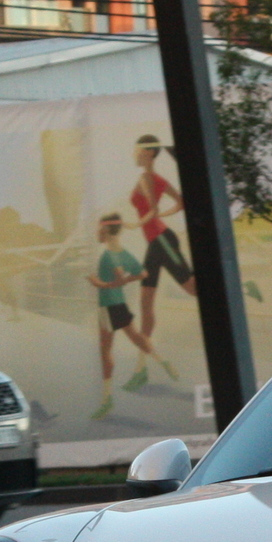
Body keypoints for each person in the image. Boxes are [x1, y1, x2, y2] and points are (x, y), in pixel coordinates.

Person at [90, 214, 175, 418]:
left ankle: (107, 399)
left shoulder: (109, 255)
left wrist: (99, 284)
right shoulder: (124, 253)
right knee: (136, 337)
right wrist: (125, 279)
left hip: (108, 306)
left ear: (106, 231)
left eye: (100, 230)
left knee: (105, 351)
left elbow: (119, 278)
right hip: (119, 304)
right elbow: (142, 274)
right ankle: (163, 361)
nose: (97, 233)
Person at [128, 133, 196, 342]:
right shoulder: (159, 180)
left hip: (161, 241)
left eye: (138, 149)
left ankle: (242, 289)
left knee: (192, 289)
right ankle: (144, 354)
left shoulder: (145, 179)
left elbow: (153, 209)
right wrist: (159, 217)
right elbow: (180, 203)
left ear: (148, 152)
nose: (135, 153)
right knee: (146, 300)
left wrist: (136, 224)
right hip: (158, 240)